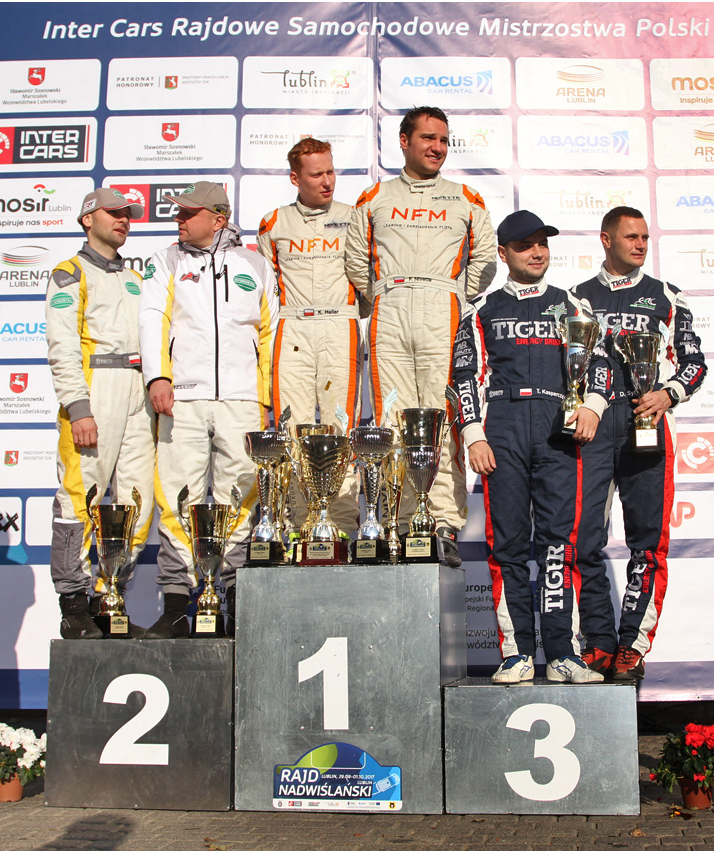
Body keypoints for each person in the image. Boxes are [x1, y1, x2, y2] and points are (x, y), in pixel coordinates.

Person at [452, 210, 611, 684]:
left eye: (542, 243)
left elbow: (599, 362)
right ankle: (516, 653)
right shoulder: (481, 309)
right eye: (525, 245)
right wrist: (473, 433)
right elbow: (465, 375)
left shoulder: (572, 303)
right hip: (502, 425)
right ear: (503, 254)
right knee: (508, 545)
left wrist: (594, 406)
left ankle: (563, 653)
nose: (537, 252)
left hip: (557, 427)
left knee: (560, 545)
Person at [345, 106, 497, 567]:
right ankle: (398, 523)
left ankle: (443, 523)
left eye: (444, 140)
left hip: (443, 311)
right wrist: (386, 294)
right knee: (392, 419)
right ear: (404, 141)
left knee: (442, 418)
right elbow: (356, 261)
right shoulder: (375, 196)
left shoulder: (465, 197)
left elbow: (485, 261)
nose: (437, 147)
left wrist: (450, 294)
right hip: (389, 310)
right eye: (428, 138)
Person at [139, 181, 279, 638]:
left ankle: (233, 598)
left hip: (242, 400)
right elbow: (153, 320)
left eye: (188, 213)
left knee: (240, 495)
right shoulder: (165, 260)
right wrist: (157, 376)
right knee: (177, 495)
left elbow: (269, 334)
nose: (178, 219)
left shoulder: (255, 264)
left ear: (218, 219)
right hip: (183, 397)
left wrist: (266, 399)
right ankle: (177, 603)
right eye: (178, 213)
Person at [574, 207, 706, 682]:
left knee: (647, 543)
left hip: (646, 422)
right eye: (631, 237)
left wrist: (668, 393)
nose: (640, 245)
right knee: (581, 539)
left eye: (645, 238)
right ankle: (596, 641)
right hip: (593, 425)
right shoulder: (576, 298)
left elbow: (694, 362)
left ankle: (632, 644)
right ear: (606, 239)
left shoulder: (667, 295)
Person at [45, 188, 155, 639]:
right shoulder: (69, 272)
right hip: (96, 386)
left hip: (139, 388)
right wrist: (78, 407)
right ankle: (73, 604)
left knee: (137, 501)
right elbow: (62, 345)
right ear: (87, 218)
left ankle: (111, 599)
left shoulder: (137, 277)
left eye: (128, 215)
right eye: (114, 213)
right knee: (80, 496)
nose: (124, 220)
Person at [258, 138, 363, 536]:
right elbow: (268, 288)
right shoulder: (273, 222)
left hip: (340, 325)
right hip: (294, 327)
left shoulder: (354, 217)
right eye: (316, 174)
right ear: (295, 178)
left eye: (331, 171)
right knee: (293, 427)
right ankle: (298, 527)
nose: (327, 181)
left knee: (340, 427)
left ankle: (342, 526)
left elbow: (367, 277)